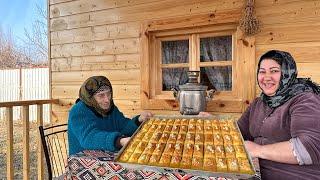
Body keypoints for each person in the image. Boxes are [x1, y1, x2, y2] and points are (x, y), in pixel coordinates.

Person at [237, 50, 320, 179]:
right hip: (259, 174)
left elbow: (309, 149)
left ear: (287, 73)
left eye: (274, 71)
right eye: (262, 71)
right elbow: (237, 133)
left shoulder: (305, 99)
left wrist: (259, 150)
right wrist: (212, 122)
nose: (267, 77)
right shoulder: (259, 102)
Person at [68, 76, 153, 155]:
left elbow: (123, 127)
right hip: (84, 162)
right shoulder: (78, 111)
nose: (107, 99)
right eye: (101, 95)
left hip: (108, 156)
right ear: (90, 98)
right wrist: (119, 141)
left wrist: (138, 120)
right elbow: (89, 138)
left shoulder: (110, 108)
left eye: (108, 94)